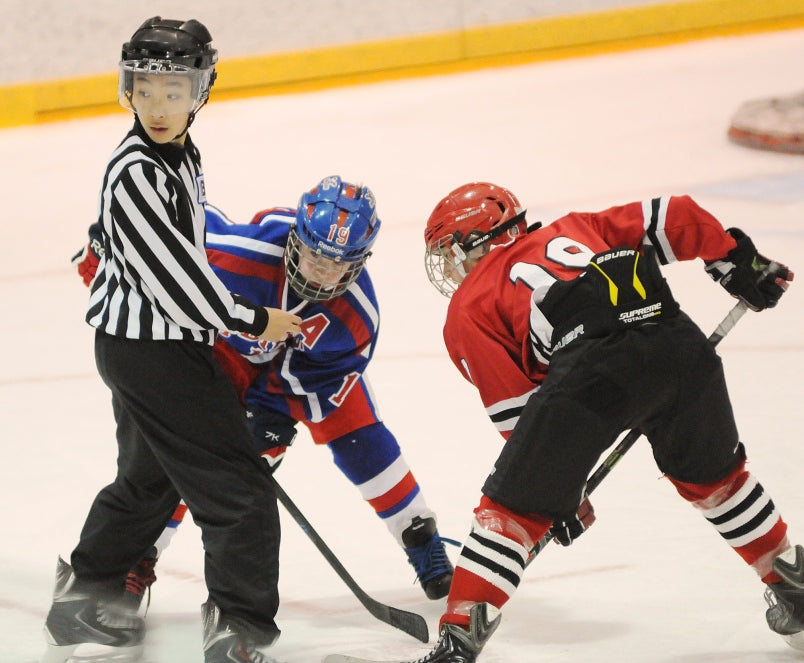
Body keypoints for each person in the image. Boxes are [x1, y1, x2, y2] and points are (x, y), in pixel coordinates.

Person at [384, 182, 799, 662]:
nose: (453, 270)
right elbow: (675, 213)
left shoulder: (468, 307)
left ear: (481, 241)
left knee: (511, 512)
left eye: (453, 253)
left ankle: (456, 644)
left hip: (593, 366)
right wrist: (734, 259)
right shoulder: (577, 226)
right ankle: (797, 591)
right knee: (720, 482)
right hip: (679, 345)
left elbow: (522, 421)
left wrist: (559, 492)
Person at [45, 17, 301, 663]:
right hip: (152, 352)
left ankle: (87, 589)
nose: (158, 106)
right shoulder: (135, 170)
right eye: (145, 89)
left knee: (148, 478)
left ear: (201, 91)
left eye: (174, 90)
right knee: (238, 489)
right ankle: (240, 626)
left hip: (145, 346)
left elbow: (177, 256)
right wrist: (252, 319)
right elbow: (178, 282)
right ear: (127, 89)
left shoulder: (180, 154)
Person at [119, 175, 456, 608]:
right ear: (297, 236)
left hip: (311, 373)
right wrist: (111, 239)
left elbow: (316, 386)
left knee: (358, 433)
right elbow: (182, 225)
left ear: (359, 261)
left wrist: (270, 423)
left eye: (337, 264)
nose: (321, 271)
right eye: (315, 254)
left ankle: (419, 535)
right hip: (233, 354)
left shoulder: (355, 317)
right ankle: (138, 557)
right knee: (190, 456)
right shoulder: (242, 253)